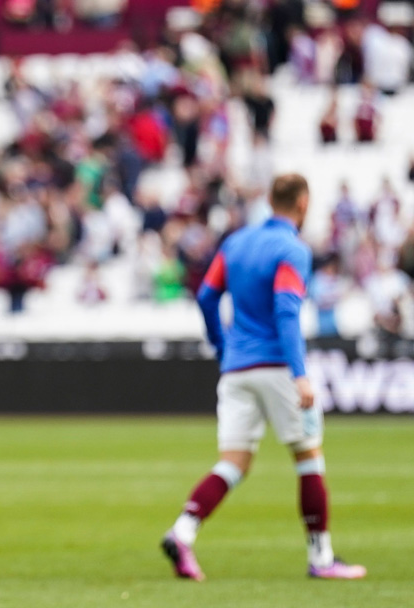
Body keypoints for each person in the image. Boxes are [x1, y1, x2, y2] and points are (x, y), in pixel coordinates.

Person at [161, 174, 366, 581]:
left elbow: (206, 296)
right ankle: (322, 558)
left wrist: (222, 345)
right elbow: (287, 311)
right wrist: (300, 374)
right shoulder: (293, 249)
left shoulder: (236, 242)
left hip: (236, 369)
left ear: (271, 200)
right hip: (277, 367)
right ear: (303, 203)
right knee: (309, 457)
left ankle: (182, 532)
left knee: (232, 463)